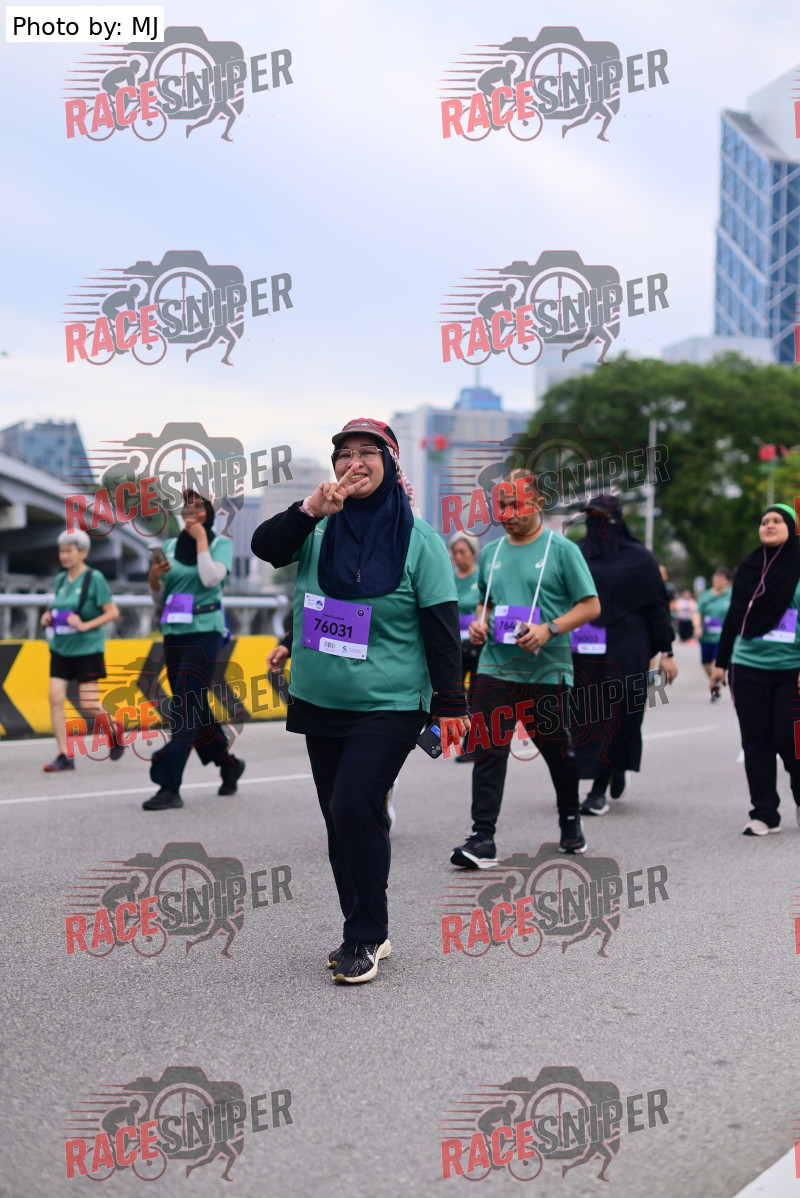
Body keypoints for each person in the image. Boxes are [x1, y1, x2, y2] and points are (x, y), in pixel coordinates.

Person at [251, 418, 469, 984]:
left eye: (367, 452)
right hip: (321, 696)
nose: (354, 462)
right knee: (338, 817)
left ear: (390, 464)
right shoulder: (318, 527)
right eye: (343, 454)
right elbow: (266, 549)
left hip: (390, 702)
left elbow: (441, 628)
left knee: (354, 803)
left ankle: (365, 935)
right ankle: (363, 923)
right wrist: (309, 509)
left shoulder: (422, 542)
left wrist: (451, 704)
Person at [449, 470, 600, 867]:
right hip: (494, 666)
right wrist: (479, 624)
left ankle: (570, 818)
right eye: (501, 506)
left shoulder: (561, 549)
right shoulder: (492, 552)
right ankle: (482, 836)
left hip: (545, 671)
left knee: (556, 750)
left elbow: (591, 606)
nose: (507, 514)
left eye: (515, 505)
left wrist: (549, 629)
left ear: (538, 502)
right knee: (488, 748)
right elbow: (485, 602)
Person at [570, 495, 677, 816]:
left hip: (628, 647)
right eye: (591, 517)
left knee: (618, 716)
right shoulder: (576, 553)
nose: (596, 524)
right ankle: (607, 769)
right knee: (587, 715)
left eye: (602, 517)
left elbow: (657, 607)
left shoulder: (639, 558)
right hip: (586, 649)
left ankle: (599, 788)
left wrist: (667, 651)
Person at [143, 490, 244, 810]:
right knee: (193, 706)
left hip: (205, 631)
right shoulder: (170, 547)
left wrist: (201, 540)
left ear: (209, 513)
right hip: (174, 631)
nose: (190, 512)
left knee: (185, 706)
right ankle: (228, 764)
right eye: (187, 507)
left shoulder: (219, 545)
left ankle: (169, 785)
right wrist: (154, 578)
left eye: (198, 507)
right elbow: (159, 599)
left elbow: (210, 578)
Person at [709, 504, 800, 836]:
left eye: (777, 520)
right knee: (756, 741)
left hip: (791, 670)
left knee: (791, 741)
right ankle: (764, 813)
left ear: (792, 527)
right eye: (764, 521)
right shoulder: (748, 568)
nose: (769, 525)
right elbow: (733, 618)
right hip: (747, 667)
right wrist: (720, 664)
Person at [41, 529, 122, 771]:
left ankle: (114, 729)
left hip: (87, 648)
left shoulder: (94, 578)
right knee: (55, 697)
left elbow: (112, 613)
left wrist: (84, 625)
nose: (64, 556)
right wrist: (49, 617)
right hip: (61, 647)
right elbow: (59, 608)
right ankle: (65, 755)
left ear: (83, 552)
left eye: (69, 551)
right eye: (61, 551)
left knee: (88, 703)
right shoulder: (60, 579)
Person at [696, 566, 733, 686]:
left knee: (715, 664)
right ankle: (716, 681)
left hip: (723, 637)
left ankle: (716, 687)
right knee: (706, 664)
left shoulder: (732, 594)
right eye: (715, 576)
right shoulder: (705, 595)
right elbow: (697, 612)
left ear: (727, 581)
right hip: (707, 636)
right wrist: (697, 626)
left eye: (721, 577)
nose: (717, 579)